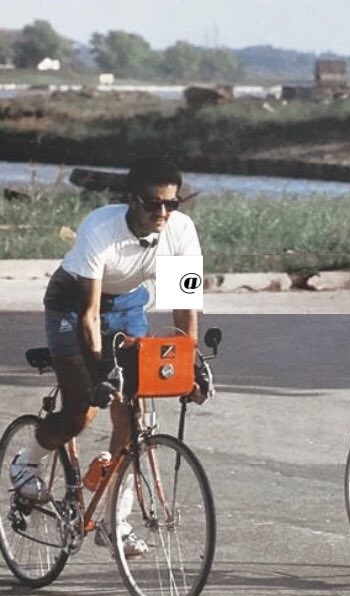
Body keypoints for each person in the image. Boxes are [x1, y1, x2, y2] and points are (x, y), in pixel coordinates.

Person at [10, 156, 207, 557]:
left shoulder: (181, 231)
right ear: (132, 199)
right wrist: (101, 371)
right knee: (81, 410)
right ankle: (26, 460)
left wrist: (190, 363)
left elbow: (184, 304)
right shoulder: (101, 228)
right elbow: (89, 314)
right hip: (73, 303)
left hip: (128, 302)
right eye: (154, 204)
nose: (163, 213)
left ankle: (114, 521)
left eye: (172, 204)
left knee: (135, 419)